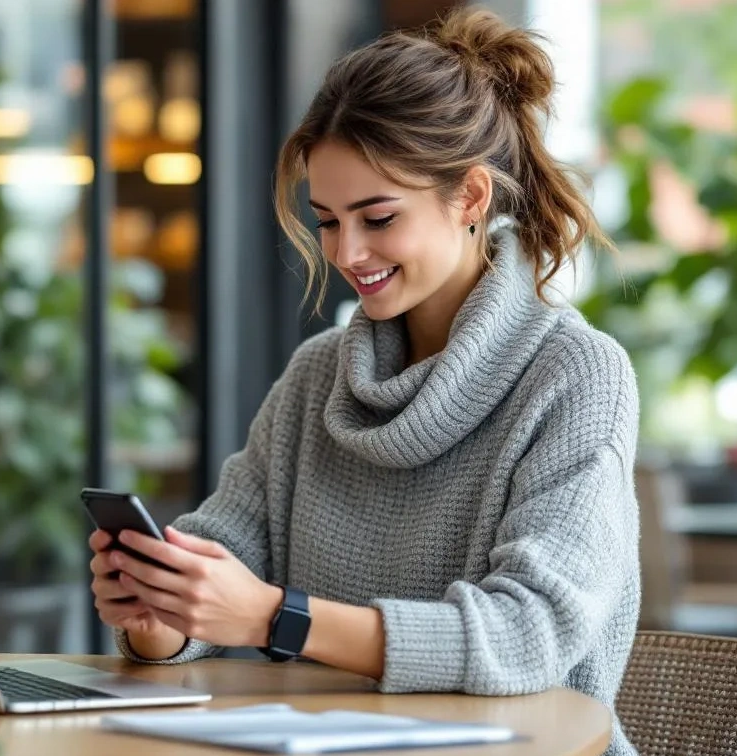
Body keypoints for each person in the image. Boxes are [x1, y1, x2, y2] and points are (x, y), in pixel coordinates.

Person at [88, 8, 640, 755]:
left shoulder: (575, 376)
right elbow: (225, 553)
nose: (348, 251)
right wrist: (162, 616)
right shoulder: (320, 375)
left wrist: (273, 618)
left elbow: (527, 634)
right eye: (326, 220)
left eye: (377, 217)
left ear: (471, 198)